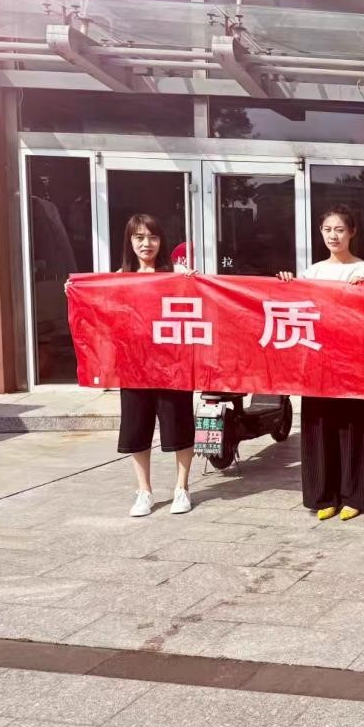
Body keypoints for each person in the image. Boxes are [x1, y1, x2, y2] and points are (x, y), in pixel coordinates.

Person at [277, 205, 364, 522]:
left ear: (352, 232)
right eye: (327, 230)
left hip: (354, 361)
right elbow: (297, 308)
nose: (333, 235)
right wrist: (287, 284)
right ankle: (324, 495)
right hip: (318, 362)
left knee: (355, 426)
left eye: (339, 229)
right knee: (320, 427)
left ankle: (355, 495)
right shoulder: (312, 273)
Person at [114, 214, 196, 518]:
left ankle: (181, 488)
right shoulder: (118, 278)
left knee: (179, 424)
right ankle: (144, 491)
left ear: (161, 240)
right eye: (139, 237)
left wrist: (194, 282)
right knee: (136, 427)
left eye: (152, 237)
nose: (146, 243)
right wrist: (77, 291)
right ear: (130, 241)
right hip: (134, 366)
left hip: (173, 365)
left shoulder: (177, 273)